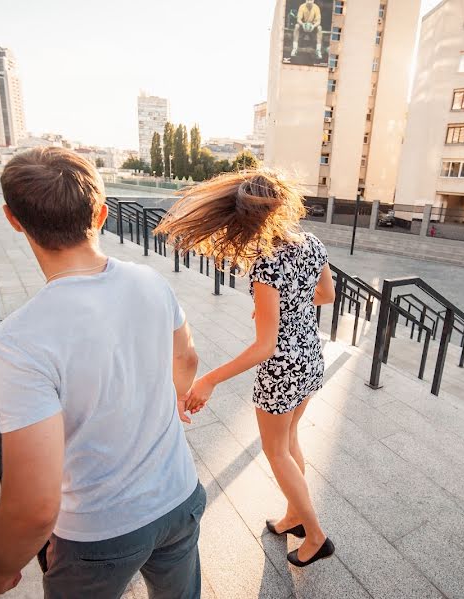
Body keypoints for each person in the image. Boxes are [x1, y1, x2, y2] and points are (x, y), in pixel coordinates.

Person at [0, 147, 205, 598]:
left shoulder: (15, 343)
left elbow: (35, 505)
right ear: (102, 213)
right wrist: (172, 402)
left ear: (13, 219)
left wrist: (1, 566)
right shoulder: (151, 282)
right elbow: (188, 360)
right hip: (180, 495)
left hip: (99, 532)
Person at [155, 170, 336, 568]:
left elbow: (264, 346)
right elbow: (326, 294)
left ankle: (316, 535)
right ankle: (295, 517)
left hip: (281, 368)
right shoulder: (312, 243)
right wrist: (291, 308)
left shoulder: (266, 263)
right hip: (309, 357)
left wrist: (209, 379)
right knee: (289, 443)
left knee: (276, 451)